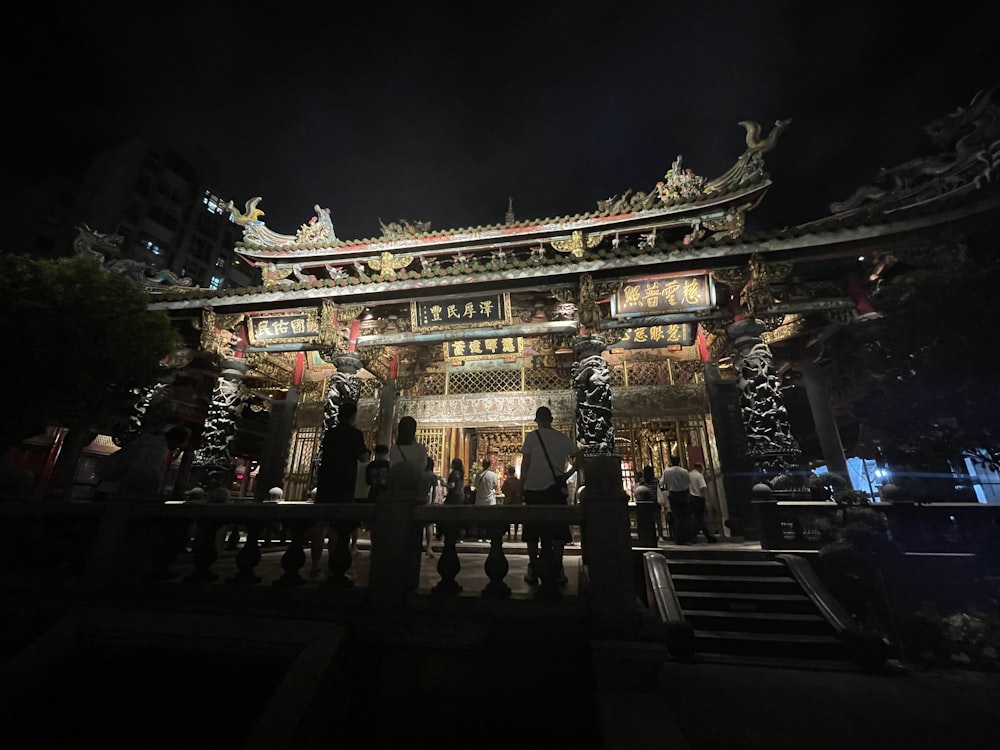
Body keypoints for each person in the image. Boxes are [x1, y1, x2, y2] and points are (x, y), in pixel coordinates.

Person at [520, 406, 580, 587]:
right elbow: (581, 457)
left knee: (532, 529)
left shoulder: (531, 437)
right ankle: (558, 567)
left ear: (537, 421)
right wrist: (567, 476)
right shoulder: (562, 438)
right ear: (551, 419)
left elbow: (526, 463)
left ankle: (532, 567)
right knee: (558, 529)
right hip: (555, 489)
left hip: (533, 489)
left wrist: (522, 486)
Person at [311, 401, 369, 580]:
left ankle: (314, 566)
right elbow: (364, 457)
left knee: (320, 526)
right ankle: (334, 567)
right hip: (344, 485)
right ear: (353, 416)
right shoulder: (355, 434)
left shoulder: (330, 434)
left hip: (326, 483)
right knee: (339, 528)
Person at [95, 424, 189, 501]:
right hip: (119, 493)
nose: (177, 448)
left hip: (110, 487)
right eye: (179, 445)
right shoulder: (156, 447)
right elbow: (144, 474)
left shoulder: (149, 440)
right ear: (176, 441)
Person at [660, 455, 694, 544]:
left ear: (671, 462)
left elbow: (662, 483)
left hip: (673, 495)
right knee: (685, 517)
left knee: (676, 517)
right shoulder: (684, 471)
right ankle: (687, 538)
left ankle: (679, 538)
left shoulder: (667, 472)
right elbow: (688, 483)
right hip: (684, 494)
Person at [688, 462, 718, 542]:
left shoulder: (689, 475)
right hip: (698, 498)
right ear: (700, 468)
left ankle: (707, 534)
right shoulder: (699, 476)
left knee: (696, 518)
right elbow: (702, 489)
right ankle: (694, 535)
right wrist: (706, 500)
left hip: (691, 498)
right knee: (700, 518)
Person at [633, 464, 661, 544]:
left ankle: (647, 535)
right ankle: (660, 535)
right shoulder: (655, 480)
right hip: (654, 501)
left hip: (644, 502)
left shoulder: (642, 481)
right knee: (657, 519)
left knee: (647, 521)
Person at [421, 456, 439, 557]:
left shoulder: (419, 474)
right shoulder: (432, 476)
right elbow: (434, 491)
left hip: (417, 499)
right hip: (426, 499)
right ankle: (428, 547)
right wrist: (432, 502)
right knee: (428, 525)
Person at [500, 464, 523, 540]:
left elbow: (503, 489)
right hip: (517, 502)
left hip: (508, 502)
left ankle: (509, 534)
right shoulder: (518, 481)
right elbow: (521, 490)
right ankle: (515, 534)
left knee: (508, 519)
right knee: (517, 519)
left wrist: (508, 494)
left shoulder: (507, 481)